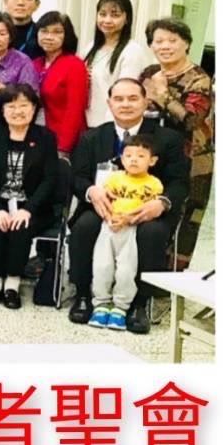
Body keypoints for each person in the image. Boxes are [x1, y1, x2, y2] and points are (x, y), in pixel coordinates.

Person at [65, 79, 189, 333]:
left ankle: (139, 303)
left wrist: (162, 203)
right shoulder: (91, 137)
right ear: (109, 103)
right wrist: (92, 192)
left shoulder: (168, 139)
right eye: (118, 99)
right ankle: (84, 294)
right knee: (84, 226)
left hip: (147, 210)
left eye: (133, 98)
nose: (125, 104)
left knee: (152, 233)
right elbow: (77, 177)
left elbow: (179, 182)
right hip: (103, 207)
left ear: (145, 102)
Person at [0, 84, 59, 309]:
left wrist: (28, 209)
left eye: (24, 105)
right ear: (2, 110)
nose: (18, 111)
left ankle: (12, 284)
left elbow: (50, 179)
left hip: (32, 204)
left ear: (34, 108)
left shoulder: (45, 137)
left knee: (21, 227)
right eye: (11, 106)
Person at [138, 17, 214, 266]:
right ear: (151, 46)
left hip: (191, 160)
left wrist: (163, 93)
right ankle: (142, 273)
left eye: (173, 40)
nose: (165, 46)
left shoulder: (198, 79)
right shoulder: (149, 73)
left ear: (187, 43)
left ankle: (171, 278)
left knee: (185, 220)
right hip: (152, 155)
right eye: (158, 41)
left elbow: (191, 120)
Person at [87, 134, 165, 331]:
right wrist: (110, 218)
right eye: (128, 155)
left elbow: (148, 209)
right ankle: (101, 303)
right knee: (102, 265)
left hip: (131, 229)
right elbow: (105, 200)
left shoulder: (154, 184)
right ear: (122, 159)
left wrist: (127, 219)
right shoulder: (114, 178)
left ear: (152, 161)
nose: (134, 160)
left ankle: (121, 307)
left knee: (126, 269)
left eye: (140, 156)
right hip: (109, 227)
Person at [82, 0, 157, 128]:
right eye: (102, 14)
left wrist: (110, 128)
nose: (107, 20)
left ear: (127, 18)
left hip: (113, 126)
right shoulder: (91, 47)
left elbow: (125, 95)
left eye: (115, 15)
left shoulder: (132, 51)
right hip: (88, 123)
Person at [32, 11, 90, 154]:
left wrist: (63, 147)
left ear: (67, 35)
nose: (49, 37)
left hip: (64, 141)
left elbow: (75, 110)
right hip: (36, 137)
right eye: (44, 31)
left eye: (57, 32)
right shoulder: (35, 63)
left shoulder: (74, 65)